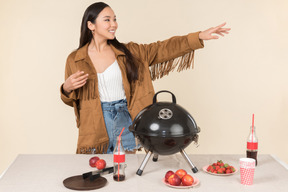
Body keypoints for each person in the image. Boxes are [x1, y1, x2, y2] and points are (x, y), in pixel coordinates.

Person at [60, 2, 230, 154]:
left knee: (125, 172)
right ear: (91, 25)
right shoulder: (75, 59)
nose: (114, 24)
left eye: (115, 19)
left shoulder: (131, 52)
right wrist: (66, 88)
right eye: (107, 20)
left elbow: (163, 48)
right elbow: (71, 101)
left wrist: (198, 36)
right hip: (94, 124)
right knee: (97, 173)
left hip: (125, 118)